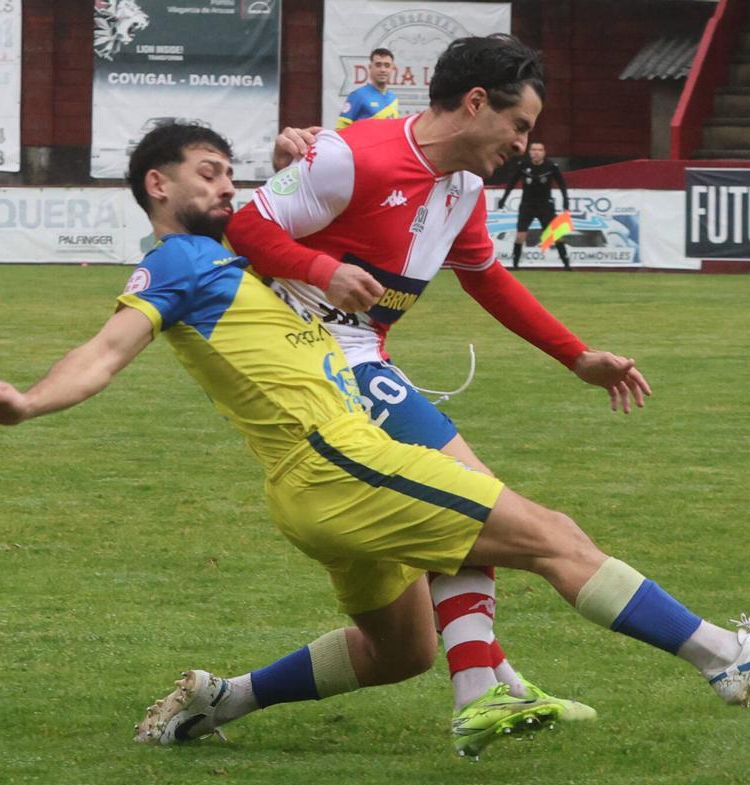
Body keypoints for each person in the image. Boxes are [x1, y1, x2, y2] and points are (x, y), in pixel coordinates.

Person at [0, 122, 750, 760]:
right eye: (210, 174)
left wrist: (296, 154)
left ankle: (220, 700)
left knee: (403, 652)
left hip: (310, 495)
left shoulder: (238, 260)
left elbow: (283, 221)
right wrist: (28, 402)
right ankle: (726, 655)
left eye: (231, 174)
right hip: (345, 467)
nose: (229, 189)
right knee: (552, 536)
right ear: (159, 186)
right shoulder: (181, 263)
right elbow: (107, 352)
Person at [227, 35, 646, 723]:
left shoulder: (464, 189)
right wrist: (321, 270)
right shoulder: (349, 154)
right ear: (476, 102)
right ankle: (715, 655)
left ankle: (493, 687)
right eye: (520, 125)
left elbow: (486, 277)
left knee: (421, 602)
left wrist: (576, 356)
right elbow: (247, 227)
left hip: (364, 362)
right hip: (315, 364)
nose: (523, 142)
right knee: (474, 503)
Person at [497, 141, 572, 270]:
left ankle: (566, 265)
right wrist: (504, 198)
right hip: (527, 205)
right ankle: (515, 265)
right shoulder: (523, 165)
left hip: (545, 205)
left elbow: (562, 184)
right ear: (530, 152)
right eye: (533, 150)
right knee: (520, 235)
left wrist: (566, 200)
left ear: (544, 153)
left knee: (556, 235)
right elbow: (512, 183)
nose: (536, 152)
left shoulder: (551, 166)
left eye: (539, 150)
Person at [337, 48, 399, 129]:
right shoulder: (358, 96)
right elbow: (340, 130)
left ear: (392, 69)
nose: (383, 70)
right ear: (370, 67)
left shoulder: (393, 98)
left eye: (387, 65)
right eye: (378, 65)